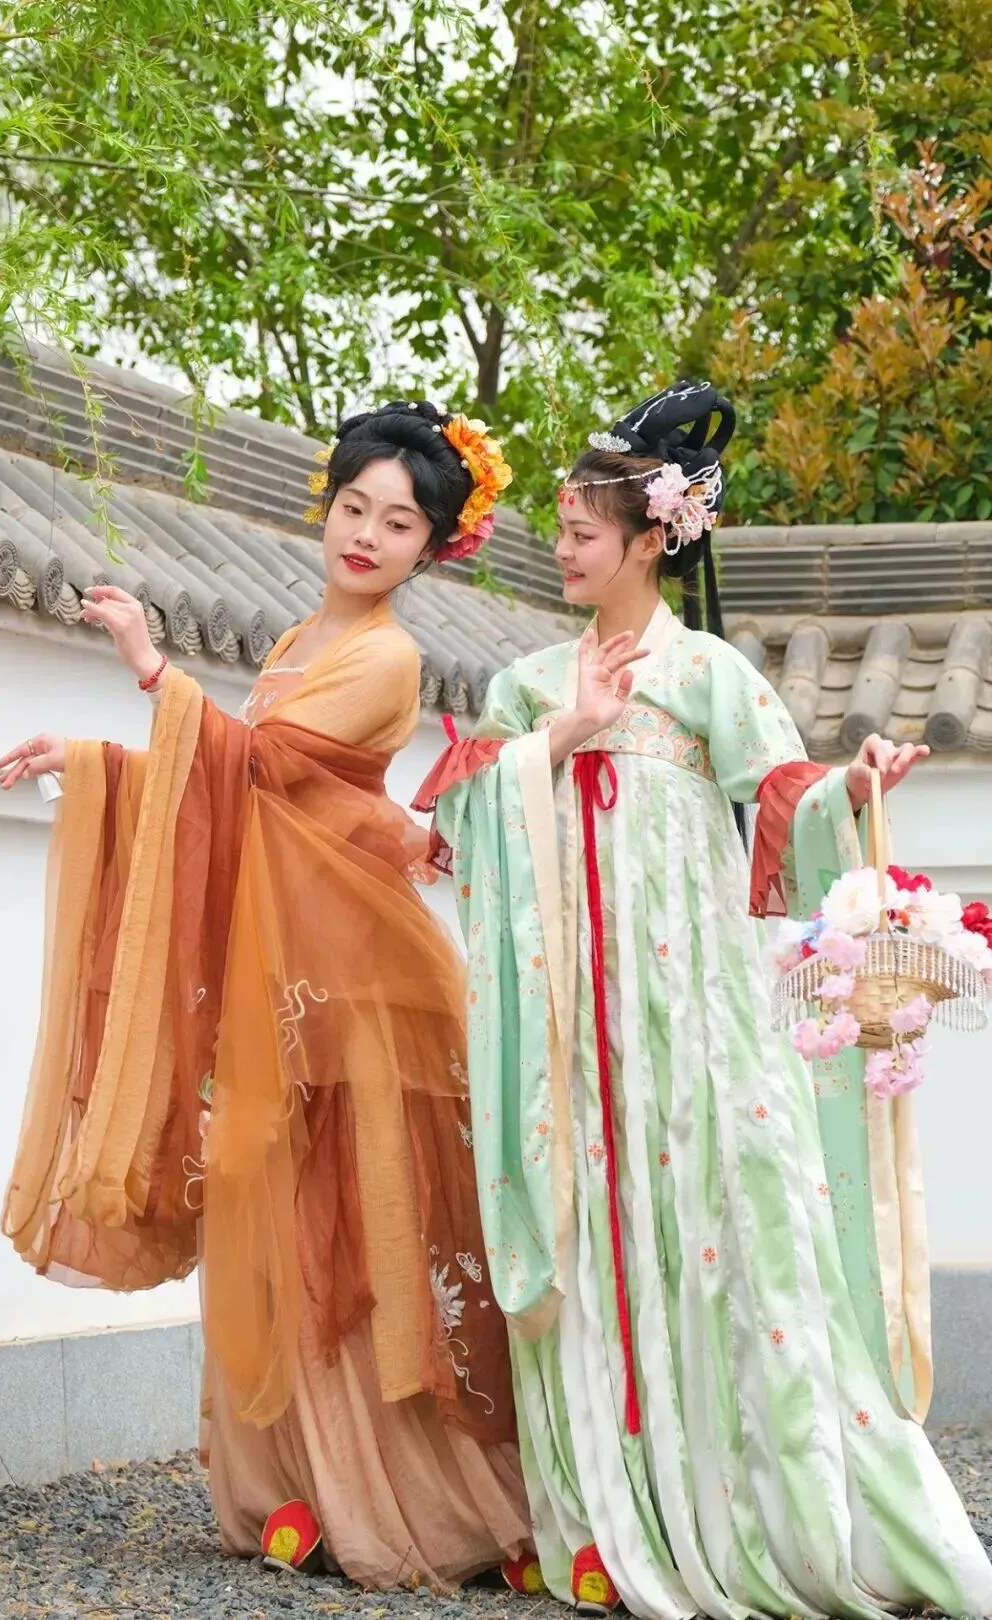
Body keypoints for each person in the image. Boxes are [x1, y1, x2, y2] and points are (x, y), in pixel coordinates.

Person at [417, 382, 992, 1617]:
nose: (562, 549)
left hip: (690, 1010)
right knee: (590, 1217)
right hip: (572, 1020)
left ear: (649, 541)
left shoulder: (712, 673)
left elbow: (782, 801)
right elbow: (463, 813)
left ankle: (751, 1503)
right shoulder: (528, 683)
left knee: (732, 1216)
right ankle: (599, 1511)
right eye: (560, 529)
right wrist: (567, 732)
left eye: (582, 532)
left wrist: (852, 784)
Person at [0, 400, 531, 1591]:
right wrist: (93, 762)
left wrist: (152, 669)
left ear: (430, 548)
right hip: (287, 963)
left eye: (398, 523)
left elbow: (269, 766)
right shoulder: (297, 638)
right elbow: (244, 792)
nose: (366, 535)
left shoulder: (387, 656)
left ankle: (407, 1502)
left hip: (360, 973)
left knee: (364, 1224)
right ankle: (302, 1484)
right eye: (354, 507)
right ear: (326, 508)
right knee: (282, 1220)